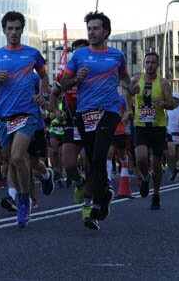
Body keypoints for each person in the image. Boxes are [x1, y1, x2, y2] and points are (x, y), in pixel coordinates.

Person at [60, 12, 130, 231]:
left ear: (106, 32)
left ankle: (98, 204)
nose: (92, 32)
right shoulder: (79, 55)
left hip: (108, 111)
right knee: (92, 160)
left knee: (100, 156)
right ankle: (105, 194)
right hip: (84, 113)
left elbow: (126, 81)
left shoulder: (117, 56)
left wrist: (132, 89)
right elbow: (63, 84)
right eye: (89, 28)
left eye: (96, 28)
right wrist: (76, 79)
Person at [0, 11, 50, 229]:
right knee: (11, 160)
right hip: (4, 116)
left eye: (17, 28)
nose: (13, 32)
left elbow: (43, 76)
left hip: (28, 113)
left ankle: (23, 202)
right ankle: (23, 196)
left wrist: (44, 94)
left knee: (17, 154)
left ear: (22, 30)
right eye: (9, 28)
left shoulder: (32, 54)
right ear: (3, 30)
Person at [126, 51, 175, 210]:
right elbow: (128, 93)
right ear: (144, 64)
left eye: (153, 62)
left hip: (158, 127)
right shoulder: (136, 80)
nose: (150, 65)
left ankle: (156, 193)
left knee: (156, 163)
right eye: (147, 62)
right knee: (140, 159)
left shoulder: (163, 83)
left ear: (158, 65)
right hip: (140, 126)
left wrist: (164, 104)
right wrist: (129, 109)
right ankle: (146, 178)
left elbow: (171, 104)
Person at [49, 37, 92, 217]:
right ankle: (78, 183)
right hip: (71, 122)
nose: (79, 55)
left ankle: (88, 206)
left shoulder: (95, 70)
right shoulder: (65, 74)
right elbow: (54, 94)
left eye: (83, 51)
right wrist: (55, 111)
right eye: (76, 52)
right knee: (69, 164)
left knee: (89, 164)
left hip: (91, 122)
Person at [165, 91, 179, 184]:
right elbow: (166, 119)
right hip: (171, 133)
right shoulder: (168, 109)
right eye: (172, 99)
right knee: (171, 154)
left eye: (176, 99)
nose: (174, 101)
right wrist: (166, 128)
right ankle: (174, 169)